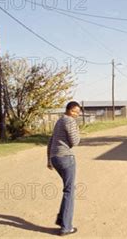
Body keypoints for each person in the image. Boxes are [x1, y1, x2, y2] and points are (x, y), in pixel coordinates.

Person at [47, 101, 81, 236]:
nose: (76, 114)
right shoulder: (70, 121)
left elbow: (51, 141)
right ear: (69, 110)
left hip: (55, 158)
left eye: (78, 112)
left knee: (68, 188)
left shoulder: (59, 121)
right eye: (75, 111)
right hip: (66, 158)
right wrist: (78, 131)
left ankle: (62, 219)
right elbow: (75, 141)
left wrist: (49, 159)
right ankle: (66, 227)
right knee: (69, 191)